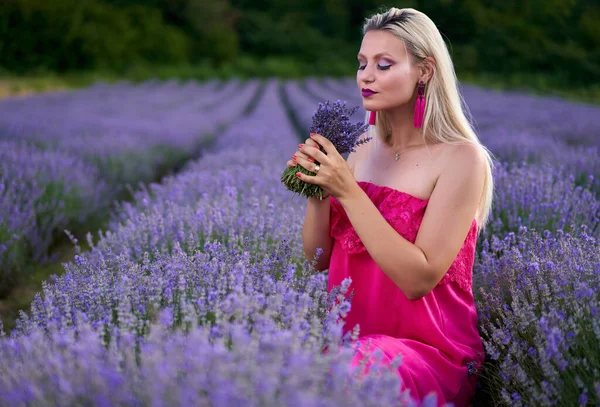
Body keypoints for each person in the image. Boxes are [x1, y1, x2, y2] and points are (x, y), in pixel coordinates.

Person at [286, 7, 496, 407]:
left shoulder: (462, 159)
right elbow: (317, 259)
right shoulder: (359, 148)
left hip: (426, 353)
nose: (366, 76)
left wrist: (348, 192)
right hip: (344, 345)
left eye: (384, 65)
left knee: (355, 376)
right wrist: (318, 192)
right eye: (362, 63)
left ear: (424, 71)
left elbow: (419, 279)